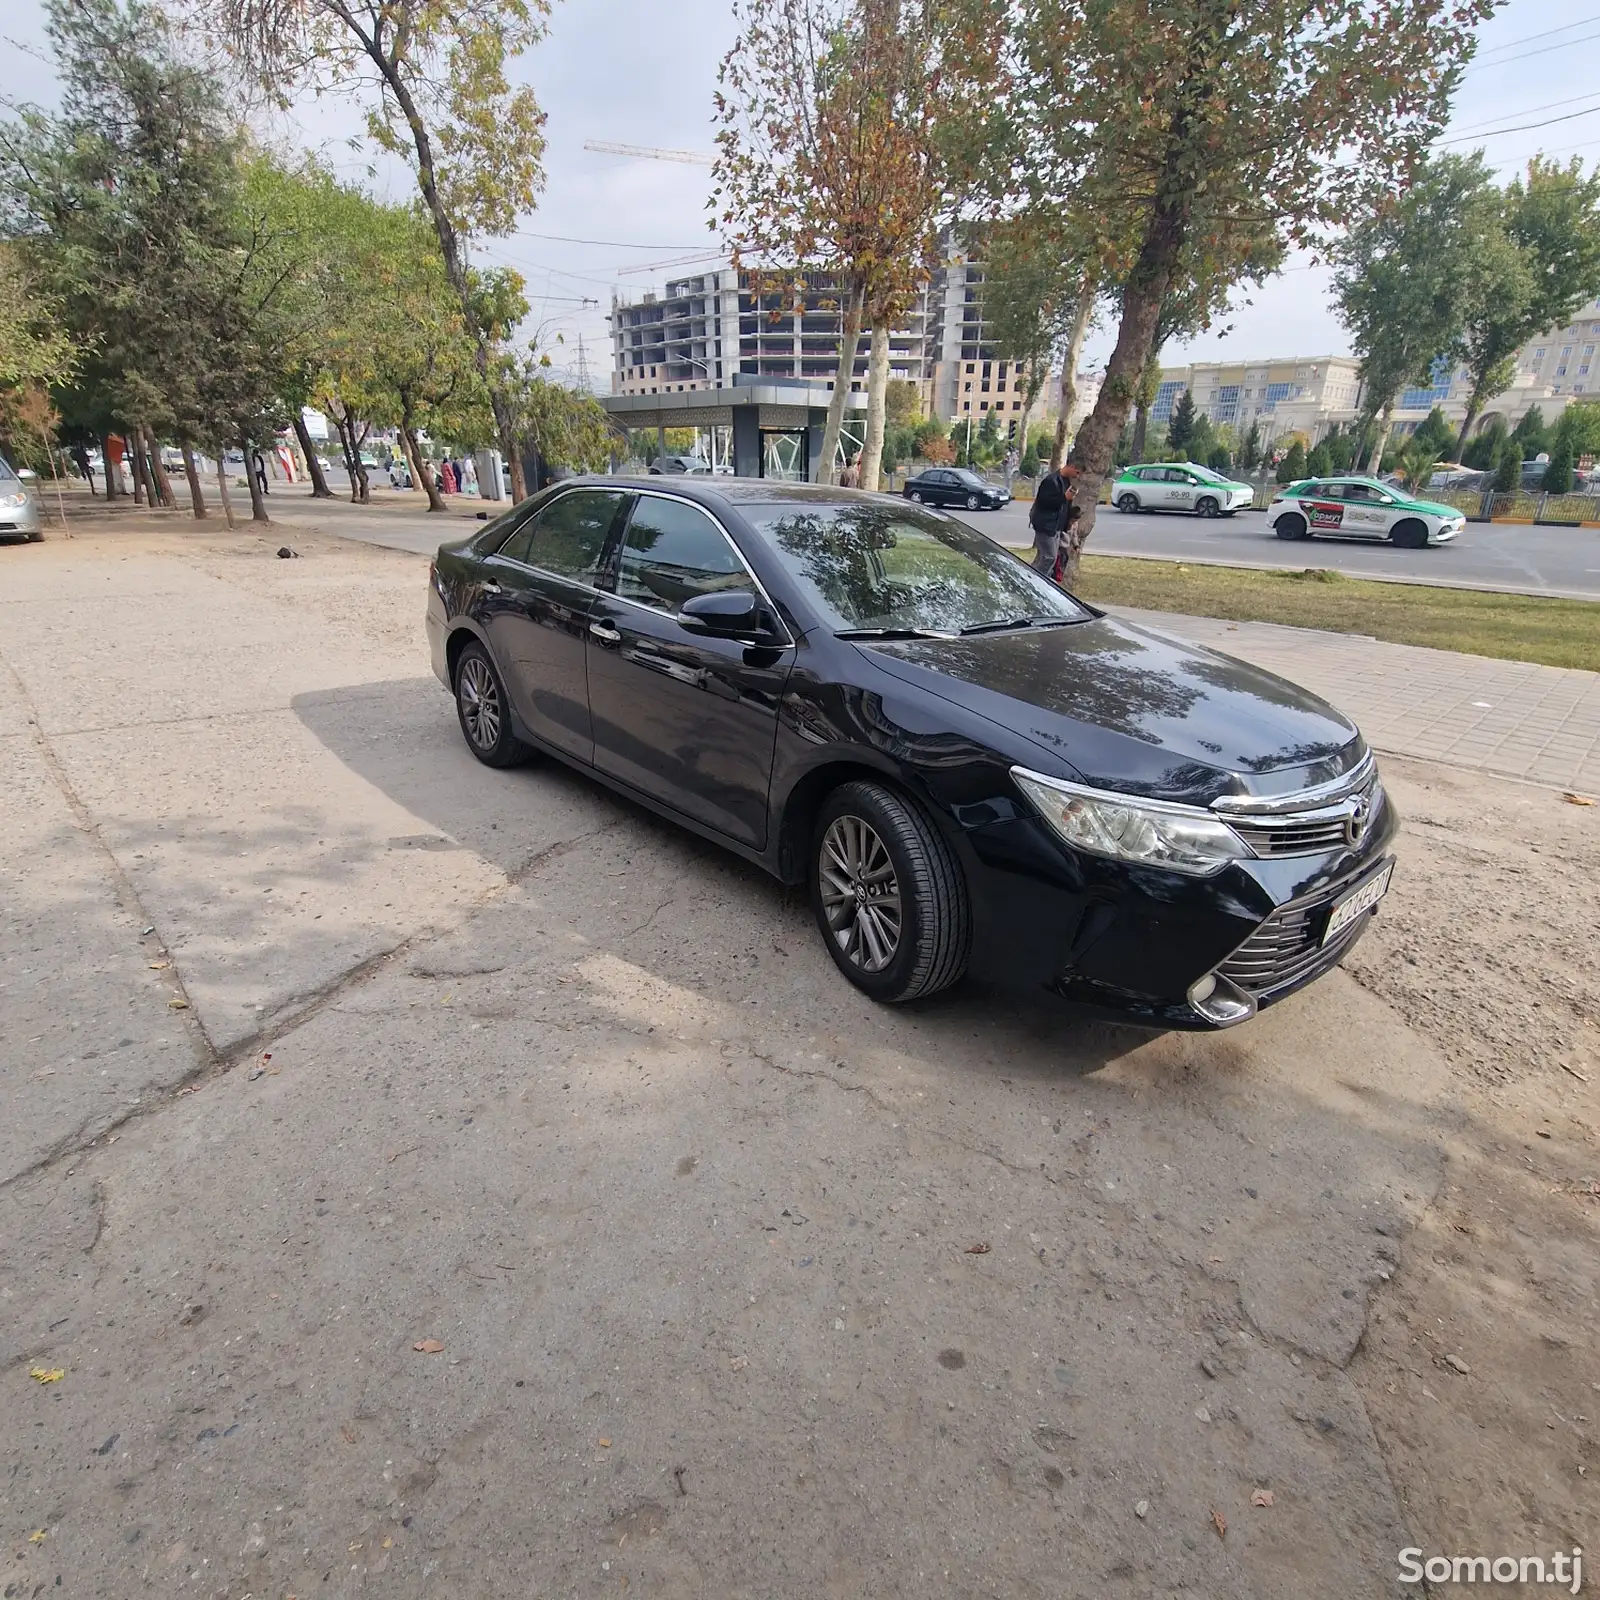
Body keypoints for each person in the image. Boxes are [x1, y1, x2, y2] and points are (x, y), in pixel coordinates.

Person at [1030, 461, 1077, 575]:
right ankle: (1036, 579)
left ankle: (1040, 578)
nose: (1077, 476)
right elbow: (1044, 503)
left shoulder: (1066, 481)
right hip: (1046, 525)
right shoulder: (1051, 481)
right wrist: (1064, 497)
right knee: (1049, 557)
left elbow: (1064, 506)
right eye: (1077, 472)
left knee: (1051, 557)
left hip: (1056, 526)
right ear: (1071, 466)